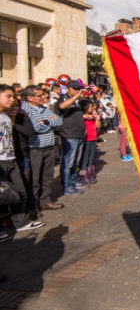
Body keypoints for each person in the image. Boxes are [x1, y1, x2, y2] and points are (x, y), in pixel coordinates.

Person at [0, 85, 45, 234]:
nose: (12, 100)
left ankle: (21, 221)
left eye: (13, 97)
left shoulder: (6, 117)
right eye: (9, 96)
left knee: (19, 192)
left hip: (11, 158)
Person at [20, 85, 64, 210]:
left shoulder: (44, 109)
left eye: (43, 95)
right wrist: (48, 123)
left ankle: (45, 200)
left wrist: (46, 122)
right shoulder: (25, 110)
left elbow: (59, 121)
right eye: (39, 95)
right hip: (35, 148)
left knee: (47, 176)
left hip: (49, 146)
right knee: (35, 178)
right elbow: (35, 128)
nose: (43, 97)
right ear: (30, 98)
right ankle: (33, 204)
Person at [54, 80, 88, 195]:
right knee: (68, 162)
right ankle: (67, 186)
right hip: (69, 136)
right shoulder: (63, 99)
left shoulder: (77, 101)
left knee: (75, 162)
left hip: (78, 134)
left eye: (79, 89)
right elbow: (62, 106)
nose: (77, 91)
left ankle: (74, 181)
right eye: (75, 89)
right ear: (68, 88)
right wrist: (76, 97)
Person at [79, 99, 100, 185]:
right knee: (85, 158)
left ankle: (90, 174)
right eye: (91, 106)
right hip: (86, 140)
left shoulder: (92, 116)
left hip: (93, 138)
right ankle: (83, 176)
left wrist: (96, 118)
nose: (92, 108)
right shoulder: (81, 117)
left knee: (91, 158)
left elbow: (98, 126)